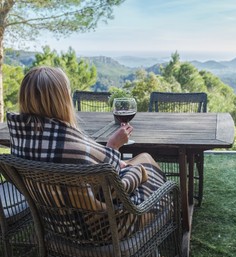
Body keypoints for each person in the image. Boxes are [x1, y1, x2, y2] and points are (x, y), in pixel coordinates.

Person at [7, 65, 166, 207]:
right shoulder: (73, 150)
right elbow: (112, 192)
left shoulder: (21, 139)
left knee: (142, 158)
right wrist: (115, 149)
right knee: (146, 167)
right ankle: (169, 208)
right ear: (62, 101)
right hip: (103, 228)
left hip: (54, 221)